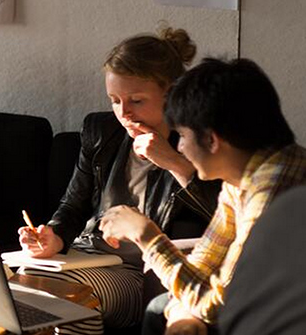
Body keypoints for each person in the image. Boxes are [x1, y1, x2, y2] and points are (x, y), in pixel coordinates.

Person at [17, 27, 220, 334]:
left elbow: (223, 215)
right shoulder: (101, 131)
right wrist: (53, 238)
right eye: (115, 100)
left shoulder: (199, 141)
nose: (124, 113)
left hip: (139, 273)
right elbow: (72, 205)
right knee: (12, 283)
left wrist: (174, 163)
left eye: (136, 100)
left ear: (172, 94)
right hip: (83, 257)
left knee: (65, 300)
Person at [98, 58, 306, 335]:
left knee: (161, 310)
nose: (180, 147)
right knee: (162, 308)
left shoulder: (273, 191)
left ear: (212, 140)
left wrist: (146, 235)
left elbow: (220, 304)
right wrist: (183, 312)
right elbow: (205, 262)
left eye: (182, 135)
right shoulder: (242, 177)